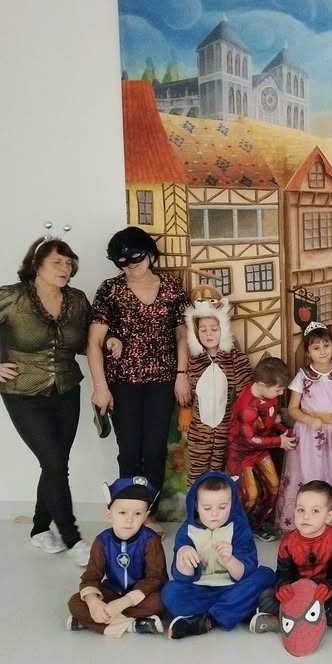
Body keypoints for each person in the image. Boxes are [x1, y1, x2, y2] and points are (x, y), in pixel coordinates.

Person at [1, 234, 101, 563]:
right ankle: (72, 539)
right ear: (36, 265)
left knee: (55, 463)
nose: (65, 268)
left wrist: (110, 341)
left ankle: (40, 529)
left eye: (69, 263)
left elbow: (84, 341)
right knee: (55, 463)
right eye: (57, 261)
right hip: (23, 392)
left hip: (67, 390)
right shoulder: (11, 297)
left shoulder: (76, 299)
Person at [88, 226, 191, 517]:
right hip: (122, 382)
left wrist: (182, 374)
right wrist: (100, 387)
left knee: (155, 450)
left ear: (150, 253)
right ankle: (129, 513)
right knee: (129, 450)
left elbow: (182, 335)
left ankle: (149, 515)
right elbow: (93, 343)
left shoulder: (171, 287)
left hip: (163, 380)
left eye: (136, 258)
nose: (131, 266)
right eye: (122, 262)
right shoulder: (111, 289)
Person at [161, 471, 275, 639]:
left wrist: (230, 560)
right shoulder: (187, 531)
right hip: (201, 589)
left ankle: (208, 621)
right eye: (207, 508)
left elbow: (245, 572)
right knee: (170, 592)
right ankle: (240, 610)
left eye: (222, 507)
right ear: (196, 506)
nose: (214, 514)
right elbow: (183, 579)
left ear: (232, 504)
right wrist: (183, 556)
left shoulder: (239, 528)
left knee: (266, 575)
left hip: (234, 586)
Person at [276, 322, 332, 534]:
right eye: (316, 347)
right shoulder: (302, 377)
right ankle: (303, 520)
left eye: (326, 345)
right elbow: (293, 409)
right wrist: (309, 420)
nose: (322, 351)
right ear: (308, 352)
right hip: (309, 434)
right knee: (309, 473)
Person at [252, 480, 332, 637]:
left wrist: (329, 586)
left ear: (328, 516)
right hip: (296, 594)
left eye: (315, 511)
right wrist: (283, 587)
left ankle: (287, 620)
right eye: (301, 510)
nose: (306, 516)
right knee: (265, 597)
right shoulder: (287, 542)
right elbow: (282, 573)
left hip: (322, 594)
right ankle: (324, 618)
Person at [67, 476, 167, 636]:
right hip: (113, 591)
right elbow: (91, 577)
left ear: (146, 515)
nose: (129, 520)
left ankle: (92, 621)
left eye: (138, 513)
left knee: (162, 600)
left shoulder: (151, 540)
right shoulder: (102, 541)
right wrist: (93, 603)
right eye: (122, 512)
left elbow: (155, 578)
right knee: (75, 602)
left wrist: (124, 602)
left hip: (141, 595)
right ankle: (133, 625)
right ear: (109, 514)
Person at [182, 288, 253, 485]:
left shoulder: (236, 359)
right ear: (196, 333)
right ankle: (195, 503)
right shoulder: (193, 361)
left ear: (223, 328)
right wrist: (185, 416)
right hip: (199, 429)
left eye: (214, 329)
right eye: (203, 330)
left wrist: (242, 426)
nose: (208, 334)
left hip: (226, 429)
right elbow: (186, 394)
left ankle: (223, 502)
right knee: (197, 473)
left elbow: (245, 395)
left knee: (223, 474)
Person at [225, 356, 293, 542]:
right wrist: (279, 441)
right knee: (249, 496)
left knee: (273, 487)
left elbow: (272, 420)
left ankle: (258, 524)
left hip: (261, 451)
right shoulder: (247, 408)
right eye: (278, 389)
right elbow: (250, 439)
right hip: (241, 456)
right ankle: (236, 528)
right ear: (262, 385)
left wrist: (286, 431)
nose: (281, 393)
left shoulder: (270, 396)